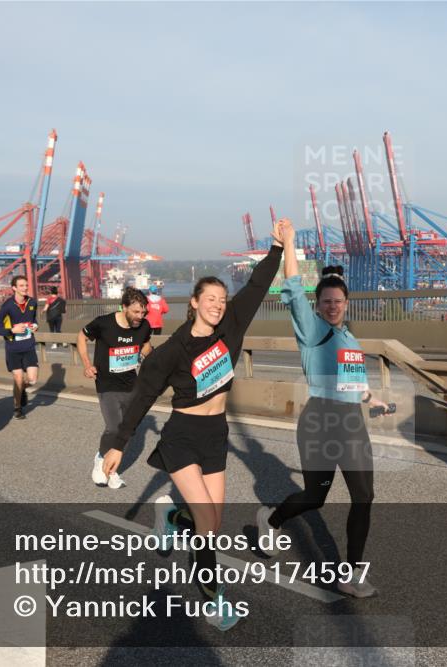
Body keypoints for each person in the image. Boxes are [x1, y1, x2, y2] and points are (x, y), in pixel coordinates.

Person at [101, 219, 286, 632]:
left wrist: (275, 247)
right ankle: (213, 600)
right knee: (206, 522)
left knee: (213, 524)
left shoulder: (232, 327)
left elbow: (256, 287)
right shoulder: (171, 351)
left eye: (222, 298)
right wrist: (118, 444)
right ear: (195, 303)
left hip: (215, 435)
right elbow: (143, 396)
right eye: (212, 299)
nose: (219, 305)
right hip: (182, 436)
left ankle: (170, 518)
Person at [257, 224, 390, 598]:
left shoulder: (350, 337)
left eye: (338, 301)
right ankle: (272, 518)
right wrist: (291, 245)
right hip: (319, 421)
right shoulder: (311, 329)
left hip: (351, 423)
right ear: (317, 306)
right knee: (316, 497)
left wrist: (371, 399)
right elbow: (294, 287)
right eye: (326, 301)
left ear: (347, 304)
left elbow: (353, 382)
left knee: (364, 496)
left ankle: (350, 574)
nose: (332, 306)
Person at [78, 287, 153, 489]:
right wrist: (87, 365)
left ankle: (109, 468)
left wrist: (152, 358)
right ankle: (103, 461)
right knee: (114, 427)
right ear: (124, 307)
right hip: (107, 384)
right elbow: (81, 337)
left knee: (127, 431)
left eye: (143, 312)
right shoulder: (104, 324)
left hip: (131, 384)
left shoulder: (144, 326)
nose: (140, 316)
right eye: (136, 312)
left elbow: (144, 345)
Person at [0, 276, 39, 420]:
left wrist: (35, 325)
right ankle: (17, 408)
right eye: (21, 285)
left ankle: (22, 390)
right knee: (18, 378)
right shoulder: (7, 305)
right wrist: (12, 330)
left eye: (26, 285)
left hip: (29, 345)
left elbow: (34, 319)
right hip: (13, 348)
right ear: (14, 288)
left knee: (33, 380)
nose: (25, 288)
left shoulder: (32, 302)